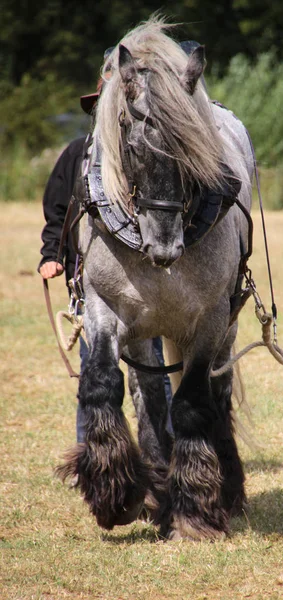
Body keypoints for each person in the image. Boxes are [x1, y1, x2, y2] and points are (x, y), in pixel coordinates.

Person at [39, 48, 173, 442]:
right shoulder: (76, 154)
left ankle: (160, 446)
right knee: (95, 371)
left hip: (141, 285)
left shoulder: (141, 157)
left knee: (152, 373)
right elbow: (56, 212)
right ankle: (92, 448)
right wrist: (50, 256)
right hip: (89, 282)